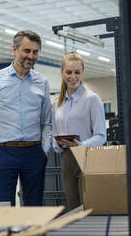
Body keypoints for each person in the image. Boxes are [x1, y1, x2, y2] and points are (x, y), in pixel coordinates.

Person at [0, 30, 52, 206]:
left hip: (34, 152)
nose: (31, 56)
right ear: (15, 49)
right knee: (3, 204)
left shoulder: (42, 81)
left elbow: (46, 121)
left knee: (34, 204)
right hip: (4, 152)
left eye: (35, 52)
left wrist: (45, 151)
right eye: (27, 51)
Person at [52, 51, 106, 210]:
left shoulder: (92, 99)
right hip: (66, 158)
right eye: (68, 72)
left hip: (88, 157)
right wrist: (58, 142)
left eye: (77, 72)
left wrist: (80, 144)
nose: (72, 76)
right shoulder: (57, 104)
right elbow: (54, 134)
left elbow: (101, 135)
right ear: (62, 73)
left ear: (82, 73)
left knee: (89, 207)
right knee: (75, 208)